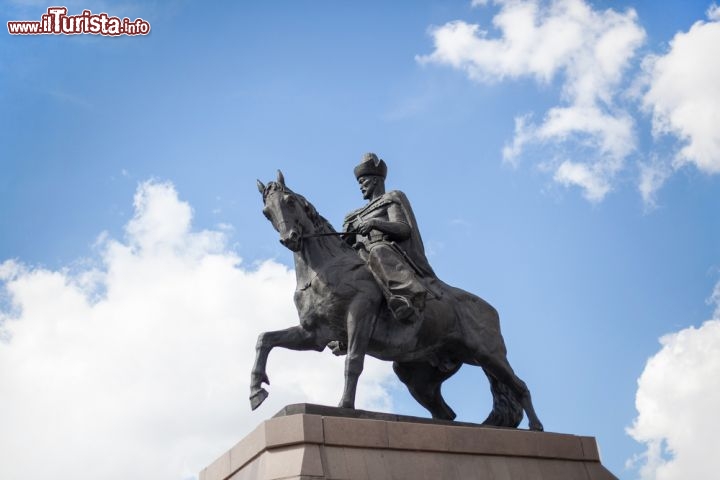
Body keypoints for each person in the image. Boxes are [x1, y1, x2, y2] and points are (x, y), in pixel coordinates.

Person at [343, 153, 438, 323]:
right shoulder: (353, 215)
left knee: (378, 250)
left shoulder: (390, 199)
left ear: (375, 180)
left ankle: (407, 296)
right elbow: (343, 244)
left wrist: (374, 223)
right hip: (362, 255)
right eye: (359, 183)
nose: (360, 186)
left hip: (388, 253)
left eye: (363, 181)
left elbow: (403, 229)